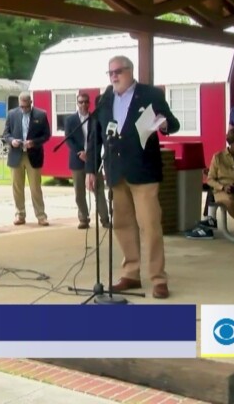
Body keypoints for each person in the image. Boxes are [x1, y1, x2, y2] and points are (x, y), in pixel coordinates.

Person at [85, 55, 180, 300]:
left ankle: (158, 279)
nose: (114, 76)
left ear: (130, 71)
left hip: (143, 171)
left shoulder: (150, 95)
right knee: (122, 224)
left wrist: (163, 125)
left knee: (149, 225)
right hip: (116, 172)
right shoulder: (104, 99)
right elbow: (95, 137)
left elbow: (173, 123)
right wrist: (90, 170)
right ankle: (131, 273)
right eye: (110, 73)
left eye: (118, 71)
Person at [3, 92, 51, 226]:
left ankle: (41, 215)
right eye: (21, 107)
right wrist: (12, 141)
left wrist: (34, 142)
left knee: (35, 187)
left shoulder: (41, 115)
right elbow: (6, 134)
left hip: (33, 155)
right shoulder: (12, 114)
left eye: (26, 106)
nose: (24, 109)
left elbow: (47, 135)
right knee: (17, 187)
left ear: (31, 103)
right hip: (16, 155)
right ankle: (20, 214)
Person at [65, 92, 108, 229]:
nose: (83, 104)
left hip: (93, 159)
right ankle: (83, 218)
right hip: (77, 160)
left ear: (89, 103)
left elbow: (99, 140)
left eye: (86, 102)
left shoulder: (95, 119)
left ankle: (105, 218)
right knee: (79, 192)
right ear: (77, 104)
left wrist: (90, 153)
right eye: (81, 102)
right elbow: (68, 139)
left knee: (99, 190)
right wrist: (80, 152)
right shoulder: (70, 120)